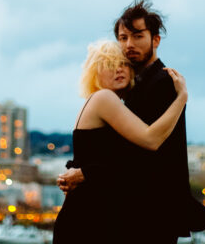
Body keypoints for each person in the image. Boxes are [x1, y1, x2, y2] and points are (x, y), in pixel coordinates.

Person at [58, 0, 205, 243]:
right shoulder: (128, 91)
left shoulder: (162, 83)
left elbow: (144, 153)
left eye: (137, 36)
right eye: (123, 38)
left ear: (156, 40)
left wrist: (85, 173)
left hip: (150, 213)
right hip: (132, 214)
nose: (129, 44)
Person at [52, 40, 188, 244]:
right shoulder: (104, 98)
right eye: (109, 65)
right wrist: (181, 99)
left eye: (123, 64)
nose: (119, 70)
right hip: (89, 218)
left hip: (89, 214)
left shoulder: (104, 103)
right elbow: (151, 139)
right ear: (95, 74)